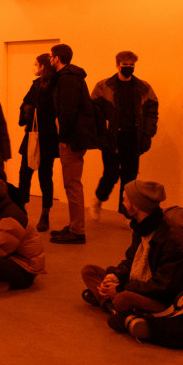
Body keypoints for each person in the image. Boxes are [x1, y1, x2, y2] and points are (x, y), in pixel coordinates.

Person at [81, 180, 183, 340]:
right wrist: (115, 277)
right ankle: (120, 311)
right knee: (89, 271)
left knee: (122, 299)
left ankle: (114, 307)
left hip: (163, 299)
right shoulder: (141, 226)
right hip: (141, 285)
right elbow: (131, 260)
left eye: (125, 199)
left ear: (136, 205)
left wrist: (119, 289)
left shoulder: (172, 241)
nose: (122, 202)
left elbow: (162, 287)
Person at [90, 51, 158, 220]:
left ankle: (127, 213)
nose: (128, 68)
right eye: (125, 65)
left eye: (131, 65)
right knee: (111, 174)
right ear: (117, 64)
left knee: (130, 179)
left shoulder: (143, 88)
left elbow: (152, 111)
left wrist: (148, 133)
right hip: (111, 138)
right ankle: (98, 200)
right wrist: (100, 136)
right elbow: (93, 113)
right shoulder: (103, 86)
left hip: (133, 138)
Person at [47, 44, 98, 244]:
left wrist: (63, 139)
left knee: (72, 184)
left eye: (51, 57)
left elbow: (67, 111)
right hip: (75, 138)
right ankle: (75, 226)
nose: (50, 60)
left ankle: (77, 231)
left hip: (72, 140)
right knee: (71, 184)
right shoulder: (71, 77)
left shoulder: (67, 79)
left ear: (57, 58)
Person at [16, 54, 58, 232]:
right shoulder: (36, 84)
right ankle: (21, 209)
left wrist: (31, 110)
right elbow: (24, 105)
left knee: (44, 176)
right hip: (33, 135)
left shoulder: (54, 85)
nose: (35, 67)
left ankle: (45, 214)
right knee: (25, 173)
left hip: (46, 136)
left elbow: (45, 109)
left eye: (36, 64)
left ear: (42, 66)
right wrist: (28, 110)